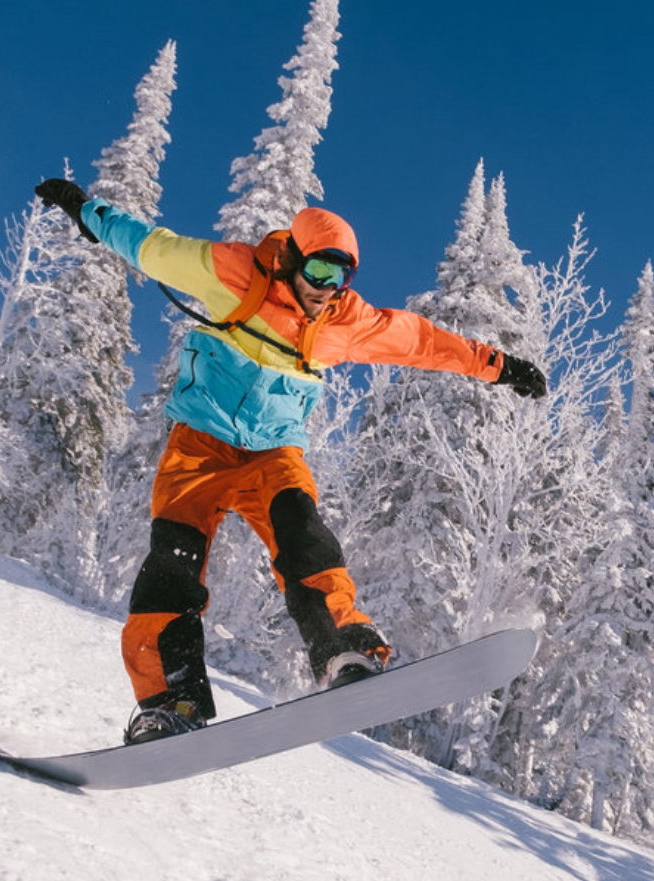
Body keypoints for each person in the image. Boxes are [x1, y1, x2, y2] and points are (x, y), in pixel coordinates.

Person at [33, 178, 546, 744]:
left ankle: (343, 649)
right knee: (171, 569)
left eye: (341, 278)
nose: (326, 290)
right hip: (198, 448)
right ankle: (170, 700)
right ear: (291, 258)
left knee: (304, 537)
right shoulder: (232, 273)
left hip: (273, 453)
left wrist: (499, 366)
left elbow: (424, 341)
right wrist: (87, 210)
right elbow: (147, 245)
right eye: (319, 273)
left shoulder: (345, 322)